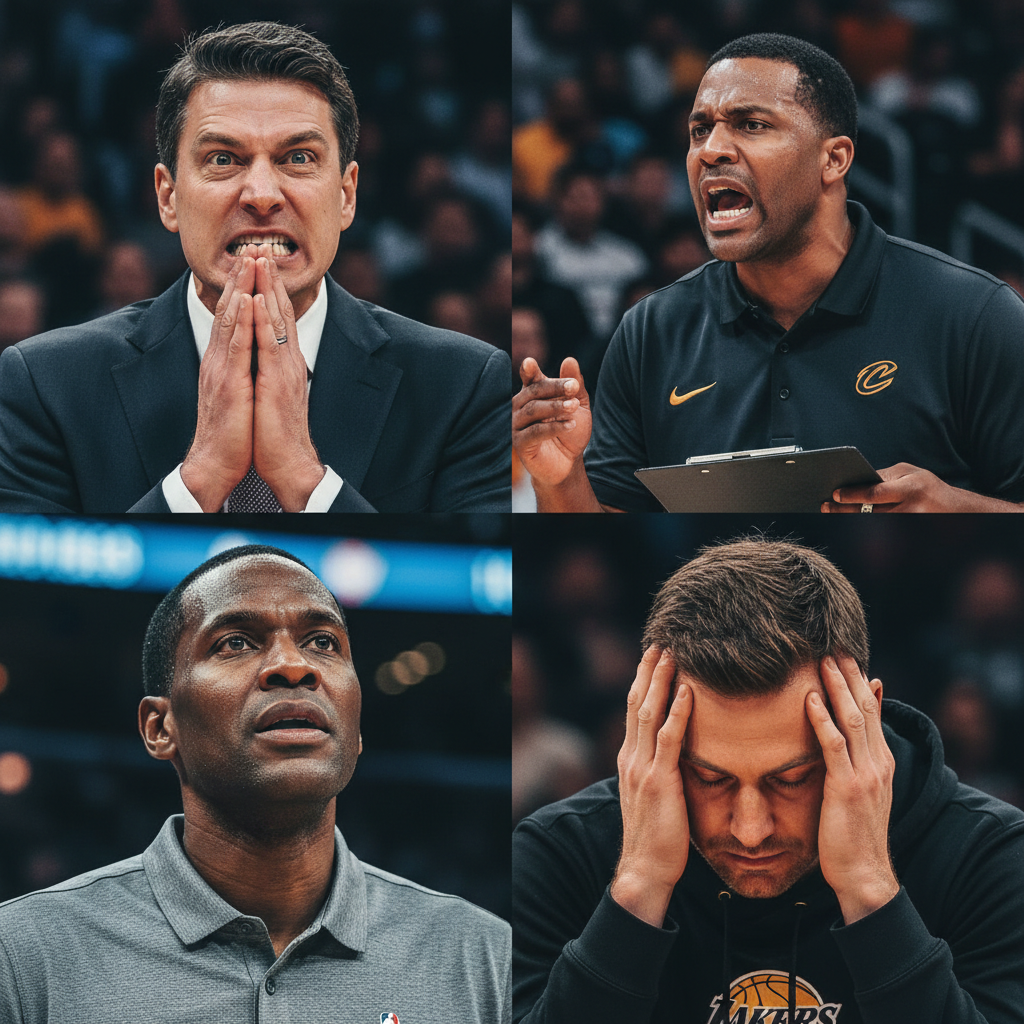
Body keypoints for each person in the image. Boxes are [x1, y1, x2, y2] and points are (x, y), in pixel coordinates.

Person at [0, 21, 510, 513]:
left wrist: (300, 477)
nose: (262, 195)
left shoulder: (464, 386)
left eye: (298, 158)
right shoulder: (44, 386)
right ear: (168, 196)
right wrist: (198, 479)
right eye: (223, 159)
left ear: (347, 194)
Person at [513, 537, 1024, 1023]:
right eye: (710, 779)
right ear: (652, 731)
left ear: (862, 722)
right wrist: (639, 887)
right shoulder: (559, 854)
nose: (750, 830)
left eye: (793, 779)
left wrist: (871, 890)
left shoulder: (990, 855)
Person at [513, 33, 1024, 513]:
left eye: (751, 124)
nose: (710, 150)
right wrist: (559, 479)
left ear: (834, 159)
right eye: (699, 130)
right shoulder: (650, 331)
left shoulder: (975, 315)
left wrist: (964, 510)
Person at [0, 544, 511, 1022]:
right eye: (236, 642)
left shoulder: (485, 958)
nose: (294, 666)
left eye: (322, 642)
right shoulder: (23, 956)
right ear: (161, 728)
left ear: (356, 732)